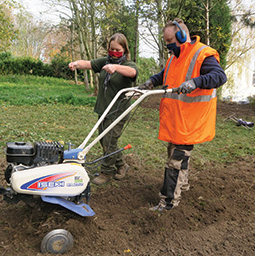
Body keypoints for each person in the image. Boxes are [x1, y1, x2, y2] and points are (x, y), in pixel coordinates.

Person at [139, 18, 227, 212]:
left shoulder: (202, 54)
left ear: (182, 35)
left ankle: (168, 202)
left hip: (190, 120)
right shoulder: (175, 56)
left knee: (174, 162)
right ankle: (182, 185)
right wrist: (151, 81)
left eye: (171, 40)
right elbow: (166, 74)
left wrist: (195, 83)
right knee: (175, 156)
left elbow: (220, 76)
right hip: (175, 119)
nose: (168, 45)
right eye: (166, 41)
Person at [69, 33, 138, 185]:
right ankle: (121, 165)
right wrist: (75, 64)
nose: (114, 52)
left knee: (109, 142)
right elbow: (87, 63)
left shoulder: (128, 65)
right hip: (103, 109)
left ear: (124, 50)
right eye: (111, 49)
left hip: (118, 112)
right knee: (104, 141)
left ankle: (106, 172)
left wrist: (115, 67)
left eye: (118, 50)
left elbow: (133, 73)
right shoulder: (104, 62)